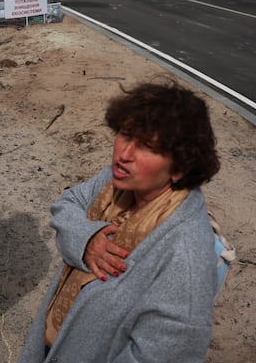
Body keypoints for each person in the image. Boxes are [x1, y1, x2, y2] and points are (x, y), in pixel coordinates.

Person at [18, 79, 221, 363]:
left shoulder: (185, 257)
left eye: (147, 146)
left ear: (180, 167)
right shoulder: (116, 182)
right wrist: (86, 238)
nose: (124, 155)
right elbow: (68, 202)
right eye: (125, 135)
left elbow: (162, 354)